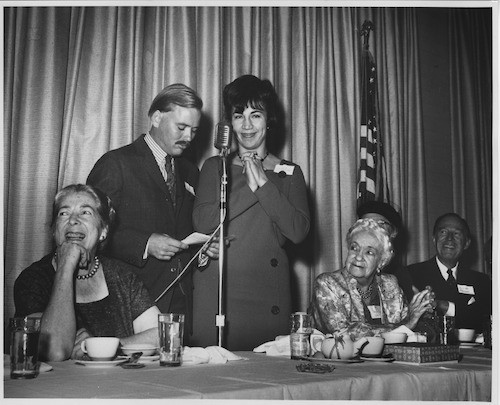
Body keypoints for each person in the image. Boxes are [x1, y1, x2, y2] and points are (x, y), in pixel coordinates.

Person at [87, 84, 218, 341]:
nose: (189, 137)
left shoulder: (190, 170)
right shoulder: (115, 164)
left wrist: (203, 247)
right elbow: (89, 233)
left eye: (194, 130)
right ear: (156, 117)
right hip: (130, 305)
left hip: (180, 304)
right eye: (181, 128)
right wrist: (145, 244)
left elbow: (187, 230)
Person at [191, 75, 311, 350]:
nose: (246, 126)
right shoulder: (214, 167)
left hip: (267, 292)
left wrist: (265, 184)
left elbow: (297, 231)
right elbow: (203, 221)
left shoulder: (290, 172)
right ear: (229, 123)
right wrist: (249, 178)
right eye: (238, 116)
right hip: (220, 292)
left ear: (269, 120)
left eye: (255, 115)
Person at [14, 184, 160, 361]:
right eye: (63, 213)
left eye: (85, 212)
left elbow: (161, 334)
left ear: (103, 231)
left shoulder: (122, 276)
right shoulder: (33, 279)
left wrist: (103, 347)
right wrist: (66, 266)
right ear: (54, 230)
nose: (73, 220)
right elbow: (53, 351)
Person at [310, 218, 433, 340]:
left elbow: (414, 324)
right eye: (354, 248)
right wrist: (405, 326)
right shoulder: (327, 284)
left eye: (369, 252)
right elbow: (343, 333)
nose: (358, 257)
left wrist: (424, 310)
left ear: (381, 261)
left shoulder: (390, 285)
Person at [408, 213, 492, 332]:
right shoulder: (411, 274)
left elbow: (485, 322)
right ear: (434, 238)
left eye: (457, 234)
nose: (449, 239)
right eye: (443, 232)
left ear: (467, 243)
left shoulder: (481, 281)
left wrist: (444, 306)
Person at [356, 200, 415, 301]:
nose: (371, 230)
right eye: (365, 224)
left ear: (393, 233)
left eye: (380, 224)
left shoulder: (400, 279)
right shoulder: (333, 283)